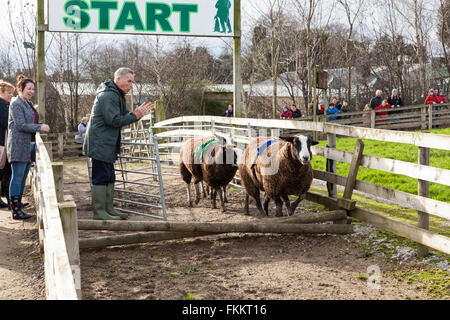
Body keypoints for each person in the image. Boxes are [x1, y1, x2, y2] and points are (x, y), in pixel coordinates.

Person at [83, 67, 154, 221]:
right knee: (101, 176)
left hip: (106, 143)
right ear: (118, 79)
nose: (131, 85)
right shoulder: (109, 95)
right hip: (100, 143)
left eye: (132, 82)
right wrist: (135, 115)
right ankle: (99, 211)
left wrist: (136, 114)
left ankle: (108, 209)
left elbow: (124, 116)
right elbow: (114, 120)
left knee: (109, 176)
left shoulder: (116, 94)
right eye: (129, 81)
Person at [7, 75, 50, 220]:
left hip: (28, 146)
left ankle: (18, 205)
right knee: (17, 177)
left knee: (23, 177)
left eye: (33, 89)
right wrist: (40, 127)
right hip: (19, 146)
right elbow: (21, 125)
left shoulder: (27, 103)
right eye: (28, 89)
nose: (31, 91)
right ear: (21, 89)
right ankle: (15, 209)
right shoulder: (16, 103)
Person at [0, 80, 15, 209]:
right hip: (1, 144)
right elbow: (6, 122)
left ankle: (9, 200)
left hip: (3, 142)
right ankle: (10, 200)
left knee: (5, 172)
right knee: (5, 172)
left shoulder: (5, 105)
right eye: (9, 93)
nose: (11, 96)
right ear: (1, 92)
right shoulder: (2, 105)